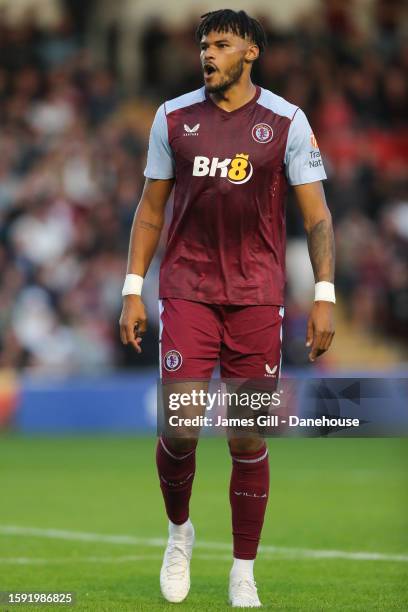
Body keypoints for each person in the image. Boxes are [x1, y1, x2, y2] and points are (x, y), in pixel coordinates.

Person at [119, 9, 335, 608]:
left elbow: (317, 217)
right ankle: (179, 532)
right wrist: (132, 286)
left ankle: (243, 569)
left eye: (221, 43)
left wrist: (323, 295)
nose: (207, 54)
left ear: (251, 53)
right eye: (203, 45)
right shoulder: (173, 117)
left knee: (246, 438)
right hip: (187, 289)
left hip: (258, 297)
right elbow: (151, 210)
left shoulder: (288, 122)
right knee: (181, 426)